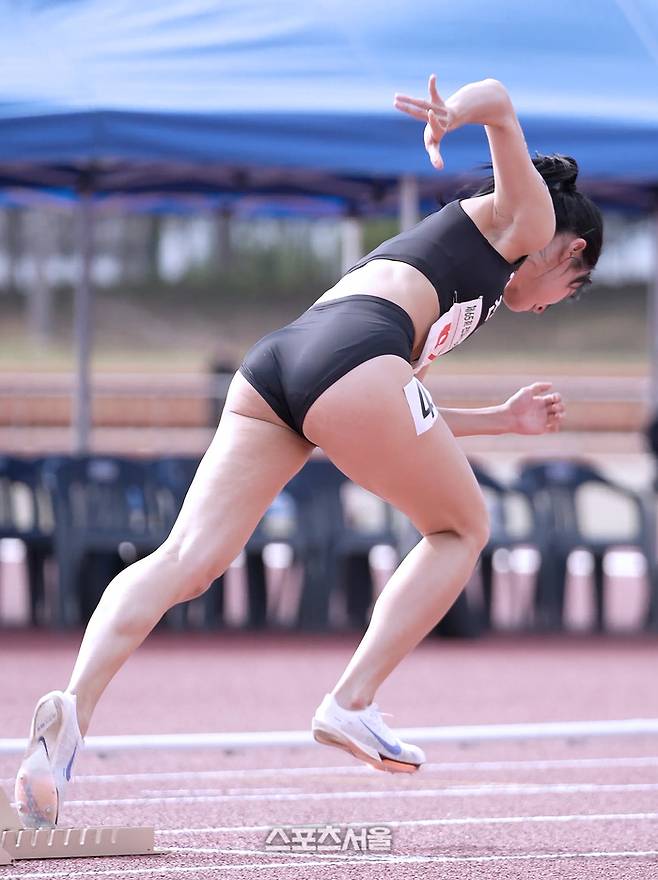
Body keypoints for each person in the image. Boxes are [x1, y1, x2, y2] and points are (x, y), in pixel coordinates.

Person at [15, 74, 603, 826]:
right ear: (572, 253)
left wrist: (501, 418)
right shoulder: (528, 222)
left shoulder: (457, 276)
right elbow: (502, 100)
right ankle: (352, 700)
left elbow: (392, 410)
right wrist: (458, 112)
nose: (552, 306)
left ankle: (71, 713)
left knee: (184, 560)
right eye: (570, 290)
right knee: (463, 529)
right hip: (355, 363)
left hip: (284, 364)